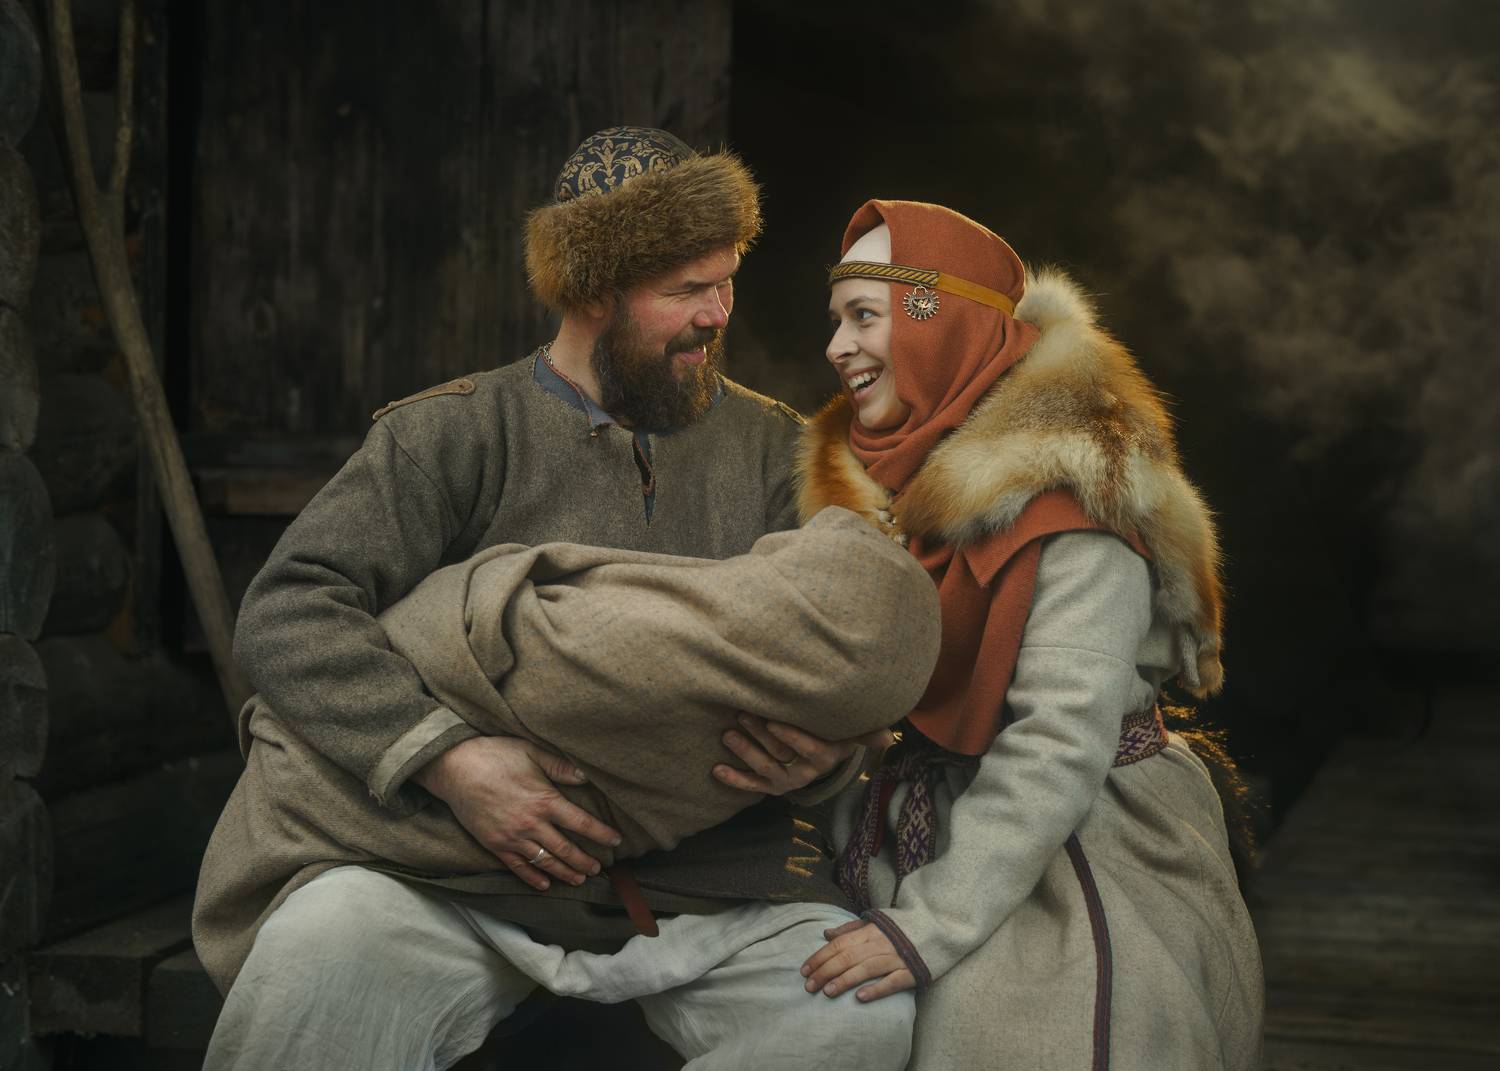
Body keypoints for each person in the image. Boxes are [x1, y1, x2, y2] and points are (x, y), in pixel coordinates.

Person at [194, 129, 920, 1071]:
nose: (716, 314)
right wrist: (451, 763)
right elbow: (291, 607)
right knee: (314, 962)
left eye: (726, 282)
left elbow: (853, 639)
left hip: (712, 880)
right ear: (590, 291)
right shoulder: (450, 433)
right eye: (685, 290)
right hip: (456, 873)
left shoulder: (781, 453)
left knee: (855, 1019)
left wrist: (822, 757)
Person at [790, 200, 1264, 1069]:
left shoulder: (1076, 503)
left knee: (1015, 1032)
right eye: (836, 320)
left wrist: (927, 926)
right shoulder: (873, 482)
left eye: (863, 316)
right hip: (906, 819)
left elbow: (1056, 744)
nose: (836, 347)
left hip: (1074, 837)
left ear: (937, 317)